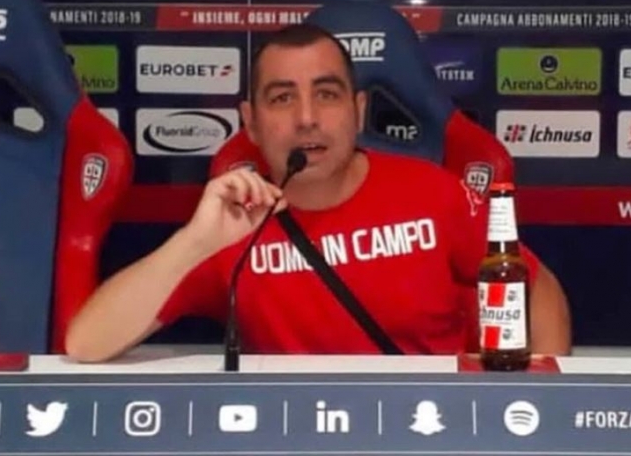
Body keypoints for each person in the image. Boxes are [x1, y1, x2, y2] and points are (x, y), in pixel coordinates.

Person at [65, 24, 571, 363]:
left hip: (424, 428)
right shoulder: (232, 224)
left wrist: (534, 412)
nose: (307, 118)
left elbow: (538, 289)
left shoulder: (433, 194)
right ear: (251, 123)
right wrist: (195, 241)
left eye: (326, 95)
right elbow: (86, 343)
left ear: (358, 110)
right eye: (282, 97)